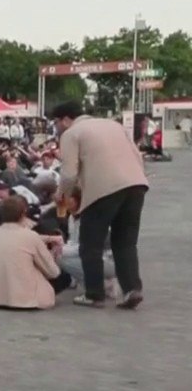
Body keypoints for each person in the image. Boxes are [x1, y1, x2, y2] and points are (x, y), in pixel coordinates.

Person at [50, 101, 148, 308]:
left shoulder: (71, 134)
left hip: (102, 190)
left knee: (90, 244)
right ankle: (132, 289)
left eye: (56, 122)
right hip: (136, 184)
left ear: (66, 119)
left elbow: (68, 173)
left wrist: (61, 194)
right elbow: (137, 156)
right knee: (126, 242)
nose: (56, 127)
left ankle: (94, 294)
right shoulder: (114, 125)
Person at [0, 196, 70, 310]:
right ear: (23, 214)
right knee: (64, 277)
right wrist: (52, 254)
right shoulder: (31, 236)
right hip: (25, 298)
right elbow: (53, 272)